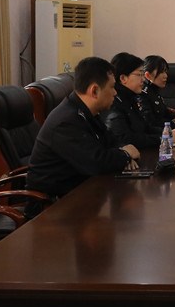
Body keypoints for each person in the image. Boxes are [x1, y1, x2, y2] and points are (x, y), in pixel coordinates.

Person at [26, 56, 141, 200]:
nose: (115, 92)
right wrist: (125, 155)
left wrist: (124, 151)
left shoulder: (86, 112)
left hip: (79, 193)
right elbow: (96, 163)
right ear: (94, 91)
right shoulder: (66, 121)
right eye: (112, 87)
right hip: (52, 204)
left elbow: (111, 140)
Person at [105, 52, 175, 149]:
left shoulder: (130, 98)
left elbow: (145, 128)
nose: (143, 79)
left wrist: (167, 133)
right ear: (123, 78)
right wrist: (164, 138)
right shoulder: (114, 102)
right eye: (139, 74)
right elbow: (126, 139)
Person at [142, 55, 175, 131]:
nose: (166, 76)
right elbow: (151, 124)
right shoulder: (143, 94)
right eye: (161, 72)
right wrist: (174, 123)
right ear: (148, 75)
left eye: (165, 71)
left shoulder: (154, 90)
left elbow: (163, 111)